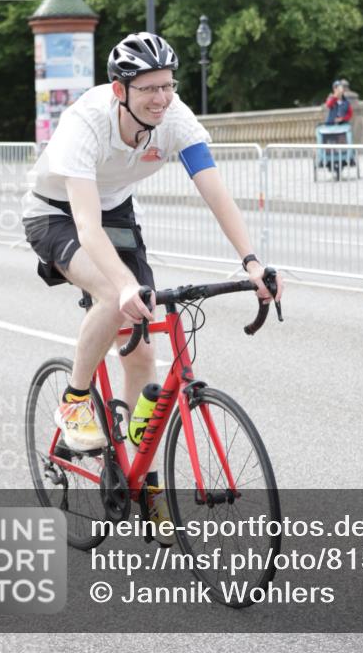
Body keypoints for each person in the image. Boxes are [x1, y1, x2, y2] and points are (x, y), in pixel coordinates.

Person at [22, 31, 282, 538]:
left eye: (167, 85)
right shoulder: (85, 123)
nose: (161, 98)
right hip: (57, 212)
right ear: (120, 90)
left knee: (143, 349)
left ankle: (143, 481)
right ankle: (75, 400)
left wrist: (251, 262)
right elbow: (87, 228)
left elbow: (214, 191)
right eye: (148, 89)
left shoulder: (176, 119)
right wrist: (121, 286)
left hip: (115, 207)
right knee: (114, 298)